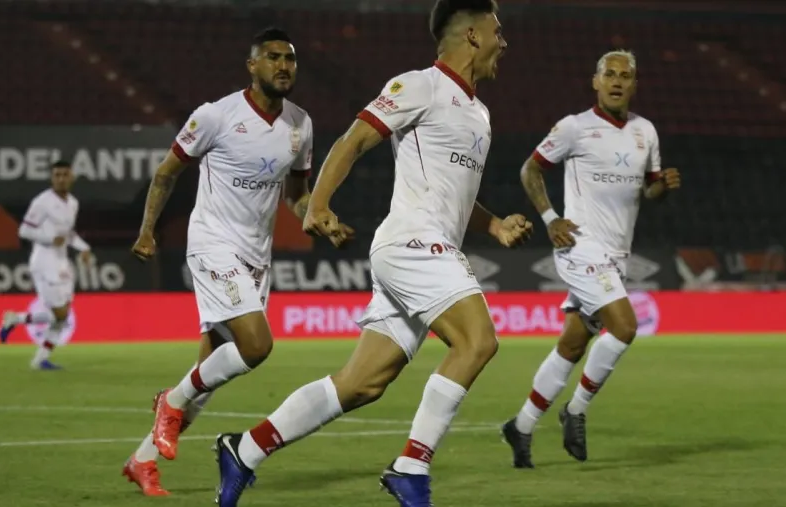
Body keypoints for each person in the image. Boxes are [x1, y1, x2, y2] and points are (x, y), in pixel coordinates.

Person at [210, 1, 531, 506]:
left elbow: (454, 195)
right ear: (471, 35)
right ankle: (411, 468)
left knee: (361, 384)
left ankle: (244, 449)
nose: (504, 41)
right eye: (497, 30)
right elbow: (355, 139)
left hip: (430, 248)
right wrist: (317, 203)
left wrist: (492, 223)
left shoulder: (479, 113)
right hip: (412, 244)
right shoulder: (419, 85)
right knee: (478, 342)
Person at [120, 27, 351, 496]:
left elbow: (298, 196)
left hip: (255, 258)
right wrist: (147, 230)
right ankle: (170, 401)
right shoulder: (215, 116)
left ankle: (142, 459)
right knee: (257, 346)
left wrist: (321, 219)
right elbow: (167, 174)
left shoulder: (300, 125)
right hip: (211, 243)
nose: (284, 65)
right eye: (272, 57)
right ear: (252, 66)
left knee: (207, 376)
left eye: (290, 58)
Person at [501, 50, 681, 468]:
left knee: (573, 343)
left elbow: (649, 191)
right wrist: (549, 218)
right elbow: (531, 169)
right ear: (595, 81)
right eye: (610, 74)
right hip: (579, 247)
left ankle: (522, 426)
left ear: (634, 85)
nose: (617, 81)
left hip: (617, 254)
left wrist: (664, 186)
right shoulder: (574, 128)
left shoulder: (645, 132)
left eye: (626, 76)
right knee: (625, 326)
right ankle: (576, 410)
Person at [0, 160, 93, 370]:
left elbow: (68, 234)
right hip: (44, 261)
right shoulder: (42, 202)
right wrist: (49, 238)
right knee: (59, 315)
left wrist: (84, 248)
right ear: (52, 178)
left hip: (62, 262)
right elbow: (23, 231)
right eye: (57, 175)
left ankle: (38, 356)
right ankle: (18, 322)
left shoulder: (73, 203)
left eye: (64, 174)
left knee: (62, 316)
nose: (61, 178)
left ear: (72, 177)